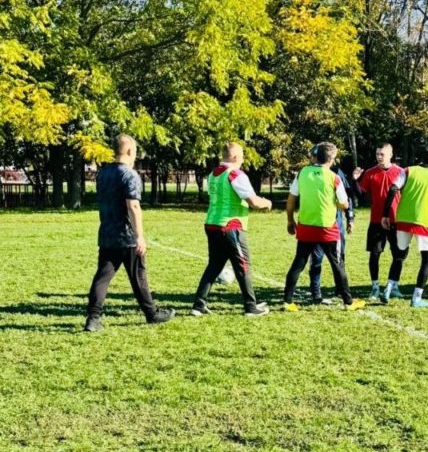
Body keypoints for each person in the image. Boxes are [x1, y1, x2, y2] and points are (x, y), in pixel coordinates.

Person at [84, 134, 175, 332]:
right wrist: (139, 236)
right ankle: (152, 314)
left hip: (107, 234)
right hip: (127, 236)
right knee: (138, 276)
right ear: (129, 151)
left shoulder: (103, 174)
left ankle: (92, 319)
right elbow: (133, 205)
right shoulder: (129, 175)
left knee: (102, 277)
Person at [191, 142, 273, 317]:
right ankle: (251, 307)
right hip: (231, 226)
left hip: (212, 223)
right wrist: (267, 203)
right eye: (242, 156)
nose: (243, 160)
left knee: (214, 265)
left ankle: (198, 304)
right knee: (243, 265)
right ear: (235, 157)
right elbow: (253, 201)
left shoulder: (213, 174)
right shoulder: (235, 174)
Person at [283, 142, 365, 312]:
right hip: (327, 228)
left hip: (306, 226)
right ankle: (348, 302)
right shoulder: (334, 177)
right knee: (337, 264)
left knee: (298, 263)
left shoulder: (302, 173)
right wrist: (335, 202)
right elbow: (344, 203)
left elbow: (291, 199)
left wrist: (290, 220)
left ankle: (287, 301)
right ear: (332, 158)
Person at [380, 148, 428, 308]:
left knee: (399, 256)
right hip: (423, 223)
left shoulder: (408, 170)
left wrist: (386, 214)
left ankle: (388, 288)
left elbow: (393, 189)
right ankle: (416, 298)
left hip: (403, 220)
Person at [352, 144, 403, 302]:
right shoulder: (370, 173)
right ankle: (375, 287)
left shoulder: (401, 172)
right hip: (376, 221)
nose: (379, 157)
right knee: (375, 254)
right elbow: (361, 195)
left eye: (382, 154)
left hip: (396, 220)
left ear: (391, 154)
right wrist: (355, 180)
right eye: (377, 154)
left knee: (398, 255)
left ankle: (393, 286)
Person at [308, 150, 355, 305]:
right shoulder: (308, 173)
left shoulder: (336, 173)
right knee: (316, 260)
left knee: (338, 259)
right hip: (316, 224)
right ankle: (316, 293)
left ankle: (340, 290)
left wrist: (350, 217)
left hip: (335, 225)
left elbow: (346, 196)